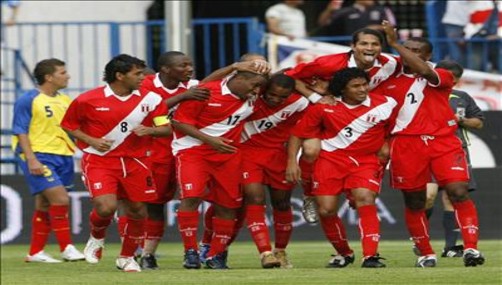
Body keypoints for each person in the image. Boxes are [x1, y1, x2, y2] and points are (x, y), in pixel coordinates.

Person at [380, 20, 485, 268]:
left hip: (444, 142)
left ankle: (471, 249)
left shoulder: (441, 75)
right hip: (406, 145)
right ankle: (426, 253)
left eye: (417, 51)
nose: (410, 54)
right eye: (407, 48)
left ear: (429, 56)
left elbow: (425, 72)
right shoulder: (387, 82)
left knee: (458, 191)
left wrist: (394, 43)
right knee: (415, 201)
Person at [61, 54, 171, 272]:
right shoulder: (87, 99)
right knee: (106, 207)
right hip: (100, 160)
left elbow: (166, 128)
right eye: (137, 74)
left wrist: (150, 130)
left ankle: (127, 258)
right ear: (119, 76)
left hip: (137, 161)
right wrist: (91, 140)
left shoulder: (152, 100)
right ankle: (97, 236)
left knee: (138, 210)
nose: (143, 78)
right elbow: (68, 125)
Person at [284, 27, 398, 224]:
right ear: (352, 46)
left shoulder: (390, 63)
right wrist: (316, 98)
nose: (369, 48)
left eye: (375, 44)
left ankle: (364, 191)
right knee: (311, 150)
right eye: (363, 43)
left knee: (385, 152)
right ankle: (309, 195)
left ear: (382, 47)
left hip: (361, 117)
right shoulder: (329, 63)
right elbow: (290, 76)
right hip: (325, 115)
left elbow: (418, 64)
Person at [286, 67, 397, 268]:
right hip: (330, 160)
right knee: (326, 210)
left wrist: (385, 147)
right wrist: (292, 161)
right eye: (356, 86)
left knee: (365, 198)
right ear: (342, 90)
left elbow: (394, 129)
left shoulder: (385, 104)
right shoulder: (323, 107)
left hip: (365, 161)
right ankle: (344, 253)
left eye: (364, 84)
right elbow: (298, 133)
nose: (363, 89)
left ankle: (370, 256)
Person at [172, 70, 267, 270]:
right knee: (191, 197)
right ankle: (190, 252)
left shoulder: (251, 97)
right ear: (240, 78)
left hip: (228, 155)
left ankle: (215, 255)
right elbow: (179, 122)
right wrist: (210, 140)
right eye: (255, 85)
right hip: (193, 152)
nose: (257, 91)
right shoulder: (205, 92)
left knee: (228, 205)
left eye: (260, 87)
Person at [122, 51, 207, 270]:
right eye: (184, 65)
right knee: (154, 205)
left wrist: (236, 67)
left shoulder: (193, 85)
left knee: (194, 198)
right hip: (156, 154)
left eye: (190, 64)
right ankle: (145, 254)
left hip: (187, 151)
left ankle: (196, 251)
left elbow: (217, 83)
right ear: (166, 69)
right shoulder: (146, 84)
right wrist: (182, 97)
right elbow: (148, 111)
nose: (189, 69)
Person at [12, 58, 85, 263]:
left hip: (63, 155)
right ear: (49, 77)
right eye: (63, 72)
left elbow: (73, 130)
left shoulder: (65, 101)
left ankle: (35, 252)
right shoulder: (28, 100)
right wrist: (31, 159)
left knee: (44, 204)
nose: (67, 76)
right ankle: (67, 248)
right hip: (39, 155)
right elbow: (20, 131)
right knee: (61, 199)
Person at [240, 73, 309, 269]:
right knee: (255, 198)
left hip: (279, 155)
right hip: (248, 153)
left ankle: (280, 251)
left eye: (282, 97)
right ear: (264, 90)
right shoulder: (249, 97)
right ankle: (265, 252)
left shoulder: (299, 104)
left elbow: (298, 133)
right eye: (272, 94)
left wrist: (292, 161)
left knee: (282, 203)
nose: (276, 99)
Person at [421, 60, 485, 258]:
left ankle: (450, 247)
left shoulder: (462, 97)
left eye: (451, 77)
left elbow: (479, 122)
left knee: (452, 197)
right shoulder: (424, 93)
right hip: (428, 150)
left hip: (457, 151)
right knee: (428, 196)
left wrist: (462, 120)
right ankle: (420, 237)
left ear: (456, 80)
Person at [318, 0, 396, 37]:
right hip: (351, 47)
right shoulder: (346, 11)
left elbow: (392, 27)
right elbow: (323, 23)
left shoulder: (382, 10)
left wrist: (377, 27)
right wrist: (329, 10)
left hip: (379, 47)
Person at [441, 1, 471, 66]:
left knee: (469, 52)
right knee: (456, 54)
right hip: (454, 23)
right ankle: (455, 72)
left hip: (470, 23)